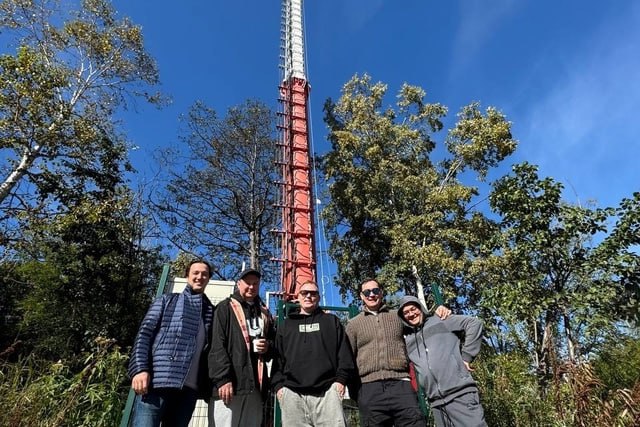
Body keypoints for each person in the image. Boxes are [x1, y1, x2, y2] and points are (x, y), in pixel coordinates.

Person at [345, 278, 450, 427]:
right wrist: (358, 393)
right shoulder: (353, 324)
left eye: (375, 291)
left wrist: (439, 312)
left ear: (381, 293)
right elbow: (347, 358)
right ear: (361, 296)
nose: (372, 295)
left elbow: (419, 323)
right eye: (367, 292)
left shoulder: (397, 316)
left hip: (401, 385)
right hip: (369, 389)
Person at [128, 260, 215, 427]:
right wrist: (140, 369)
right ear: (187, 275)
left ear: (209, 278)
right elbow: (145, 334)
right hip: (156, 383)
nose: (200, 277)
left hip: (188, 391)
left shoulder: (210, 311)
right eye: (195, 273)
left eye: (204, 274)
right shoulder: (167, 300)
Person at [272, 281, 356, 426]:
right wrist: (279, 388)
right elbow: (277, 358)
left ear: (318, 297)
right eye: (304, 293)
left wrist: (340, 381)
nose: (308, 296)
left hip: (328, 393)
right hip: (292, 394)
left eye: (313, 293)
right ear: (298, 296)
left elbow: (344, 353)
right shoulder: (286, 325)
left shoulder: (331, 321)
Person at [398, 295, 487, 427]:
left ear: (421, 308)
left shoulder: (441, 320)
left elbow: (474, 324)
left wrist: (467, 356)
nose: (411, 314)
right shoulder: (408, 339)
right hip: (436, 403)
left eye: (413, 309)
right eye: (406, 312)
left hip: (460, 394)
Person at [208, 268, 275, 427]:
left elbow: (274, 343)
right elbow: (217, 344)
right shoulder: (225, 308)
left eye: (255, 283)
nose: (251, 287)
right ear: (239, 284)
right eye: (247, 283)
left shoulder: (265, 313)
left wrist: (268, 347)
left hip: (255, 388)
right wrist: (223, 379)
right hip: (231, 385)